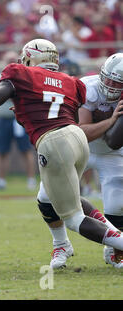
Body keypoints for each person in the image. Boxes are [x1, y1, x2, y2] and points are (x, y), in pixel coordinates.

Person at [0, 38, 123, 268]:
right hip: (78, 141)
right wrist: (28, 112)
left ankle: (116, 242)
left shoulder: (21, 73)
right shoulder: (72, 82)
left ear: (30, 58)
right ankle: (62, 245)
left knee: (73, 218)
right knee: (48, 197)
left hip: (56, 144)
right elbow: (58, 115)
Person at [38, 53, 123, 269]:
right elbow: (83, 132)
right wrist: (113, 120)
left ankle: (116, 250)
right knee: (47, 196)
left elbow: (114, 142)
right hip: (79, 148)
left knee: (117, 205)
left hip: (113, 155)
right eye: (109, 78)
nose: (111, 86)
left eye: (117, 82)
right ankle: (61, 244)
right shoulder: (88, 86)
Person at [0, 51, 36, 191]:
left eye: (13, 60)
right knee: (2, 150)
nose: (10, 62)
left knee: (26, 149)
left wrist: (6, 95)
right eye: (8, 60)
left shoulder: (24, 77)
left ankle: (31, 180)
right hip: (4, 119)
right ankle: (1, 181)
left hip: (20, 119)